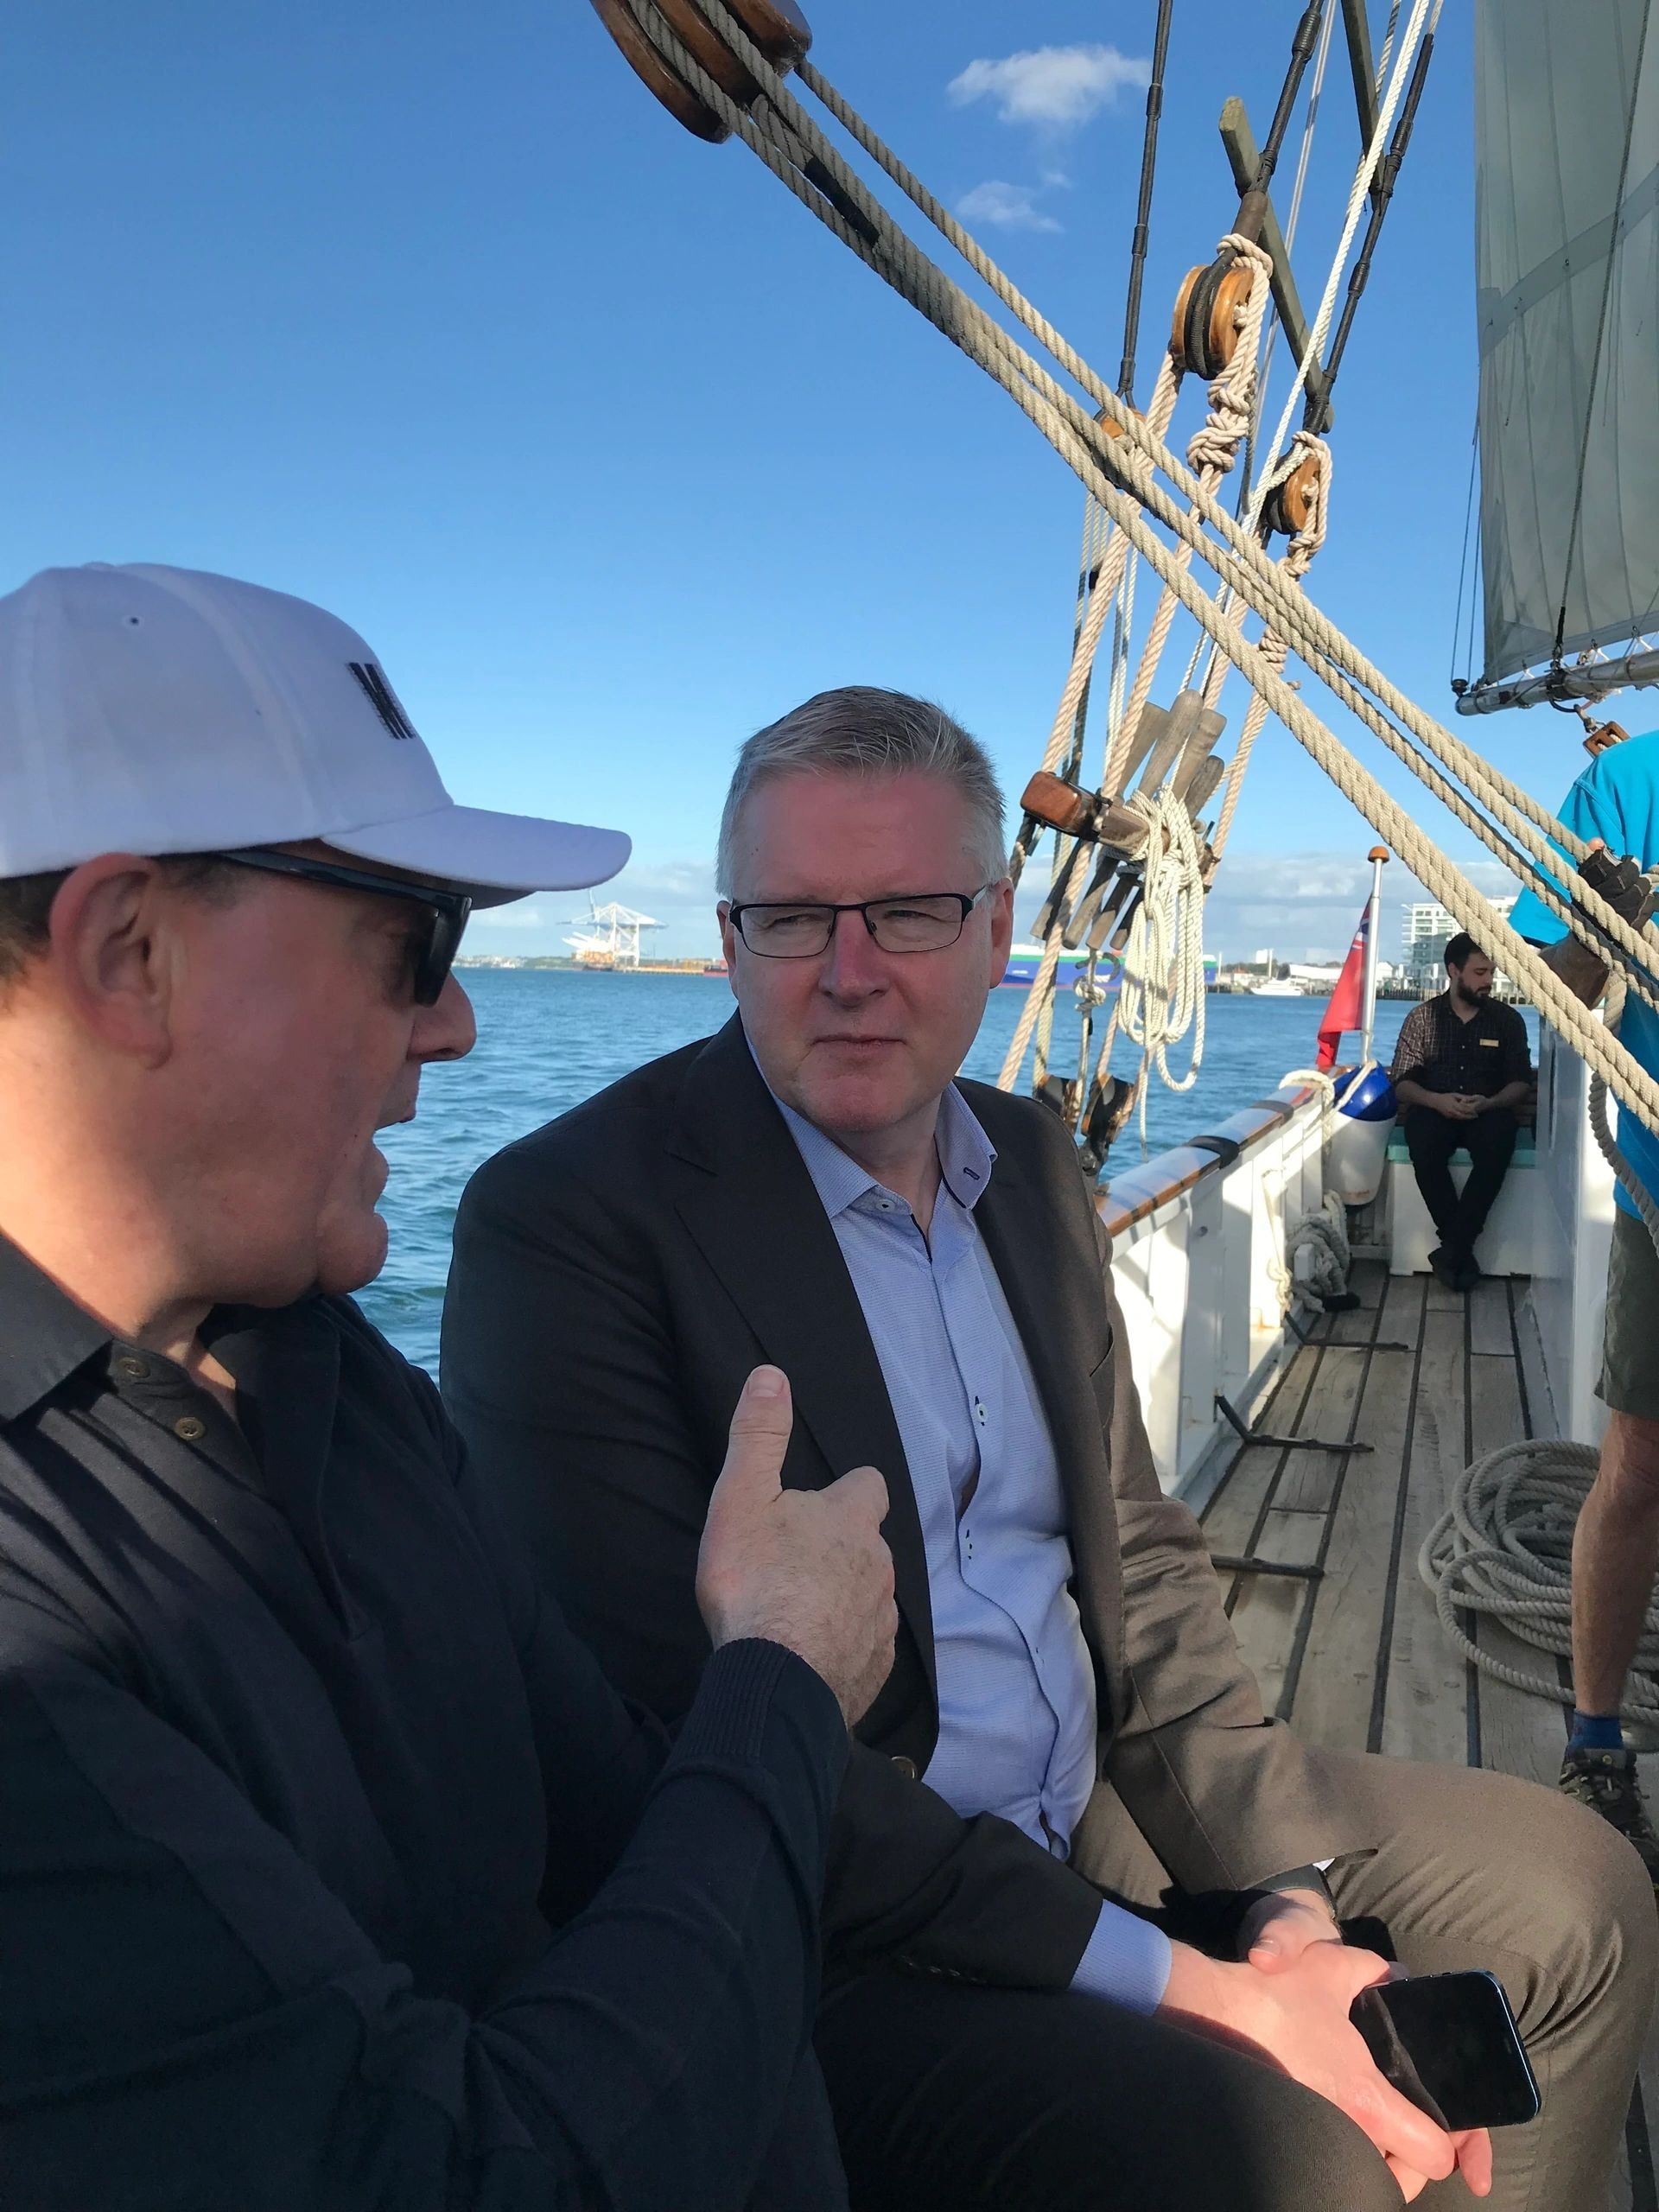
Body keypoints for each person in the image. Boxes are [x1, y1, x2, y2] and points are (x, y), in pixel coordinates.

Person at [444, 686, 1655, 2212]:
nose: (852, 976)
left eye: (912, 911)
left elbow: (1138, 1558)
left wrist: (1281, 1898)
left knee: (1579, 1897)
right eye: (792, 920)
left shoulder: (1025, 1164)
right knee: (1295, 2167)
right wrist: (1215, 1995)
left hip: (1096, 1814)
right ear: (731, 928)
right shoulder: (572, 1229)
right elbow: (676, 1745)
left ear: (1001, 917)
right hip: (838, 1933)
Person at [0, 562, 902, 2212]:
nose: (465, 1024)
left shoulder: (320, 1362)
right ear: (128, 952)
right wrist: (778, 1671)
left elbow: (621, 1809)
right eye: (416, 945)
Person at [1508, 731, 1659, 1878]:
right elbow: (1550, 994)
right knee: (1641, 1467)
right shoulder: (1624, 788)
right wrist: (1599, 942)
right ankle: (1598, 1741)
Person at [1389, 934, 1532, 1292]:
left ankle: (1452, 1249)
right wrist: (1437, 1101)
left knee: (1499, 1144)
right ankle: (1460, 1250)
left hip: (1489, 1108)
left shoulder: (1507, 1020)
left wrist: (1491, 1102)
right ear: (1454, 971)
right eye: (1480, 972)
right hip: (1435, 1107)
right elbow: (1403, 1082)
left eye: (1491, 973)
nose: (1488, 981)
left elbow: (1520, 1084)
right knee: (1423, 1143)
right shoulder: (1422, 1019)